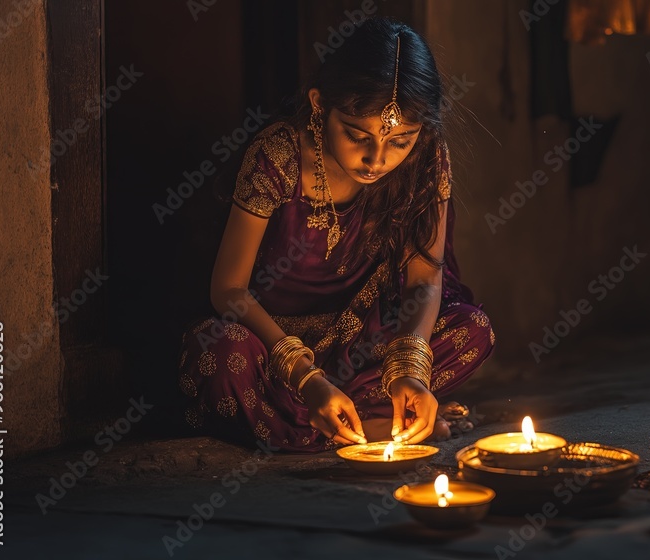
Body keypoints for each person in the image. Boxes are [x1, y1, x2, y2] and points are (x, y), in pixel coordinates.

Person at [177, 17, 494, 452]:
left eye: (400, 141)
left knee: (471, 329)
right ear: (319, 104)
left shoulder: (426, 157)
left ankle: (308, 428)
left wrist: (410, 370)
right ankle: (362, 425)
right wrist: (304, 376)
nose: (377, 159)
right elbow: (228, 289)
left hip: (363, 341)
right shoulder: (279, 156)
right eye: (355, 134)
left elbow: (424, 279)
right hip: (270, 347)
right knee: (217, 355)